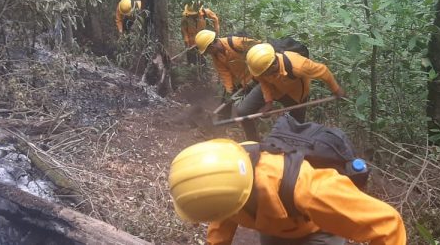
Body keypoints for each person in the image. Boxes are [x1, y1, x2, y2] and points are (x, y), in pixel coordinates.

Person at [169, 139, 407, 245]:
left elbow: (388, 225)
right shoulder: (224, 182)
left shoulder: (309, 190)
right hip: (275, 227)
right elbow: (222, 219)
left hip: (317, 231)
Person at [236, 43, 345, 141]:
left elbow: (324, 71)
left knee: (296, 127)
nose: (260, 75)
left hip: (294, 95)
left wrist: (336, 89)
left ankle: (292, 150)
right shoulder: (260, 68)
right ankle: (253, 142)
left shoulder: (298, 65)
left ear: (273, 66)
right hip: (273, 88)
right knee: (243, 111)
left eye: (263, 73)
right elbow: (263, 82)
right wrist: (268, 101)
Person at [195, 30, 260, 115]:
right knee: (226, 100)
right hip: (238, 81)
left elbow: (260, 49)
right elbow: (224, 73)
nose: (208, 54)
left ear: (211, 46)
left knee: (252, 101)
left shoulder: (236, 43)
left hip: (255, 77)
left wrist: (257, 74)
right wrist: (229, 90)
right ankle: (221, 122)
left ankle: (256, 118)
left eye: (207, 51)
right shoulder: (216, 56)